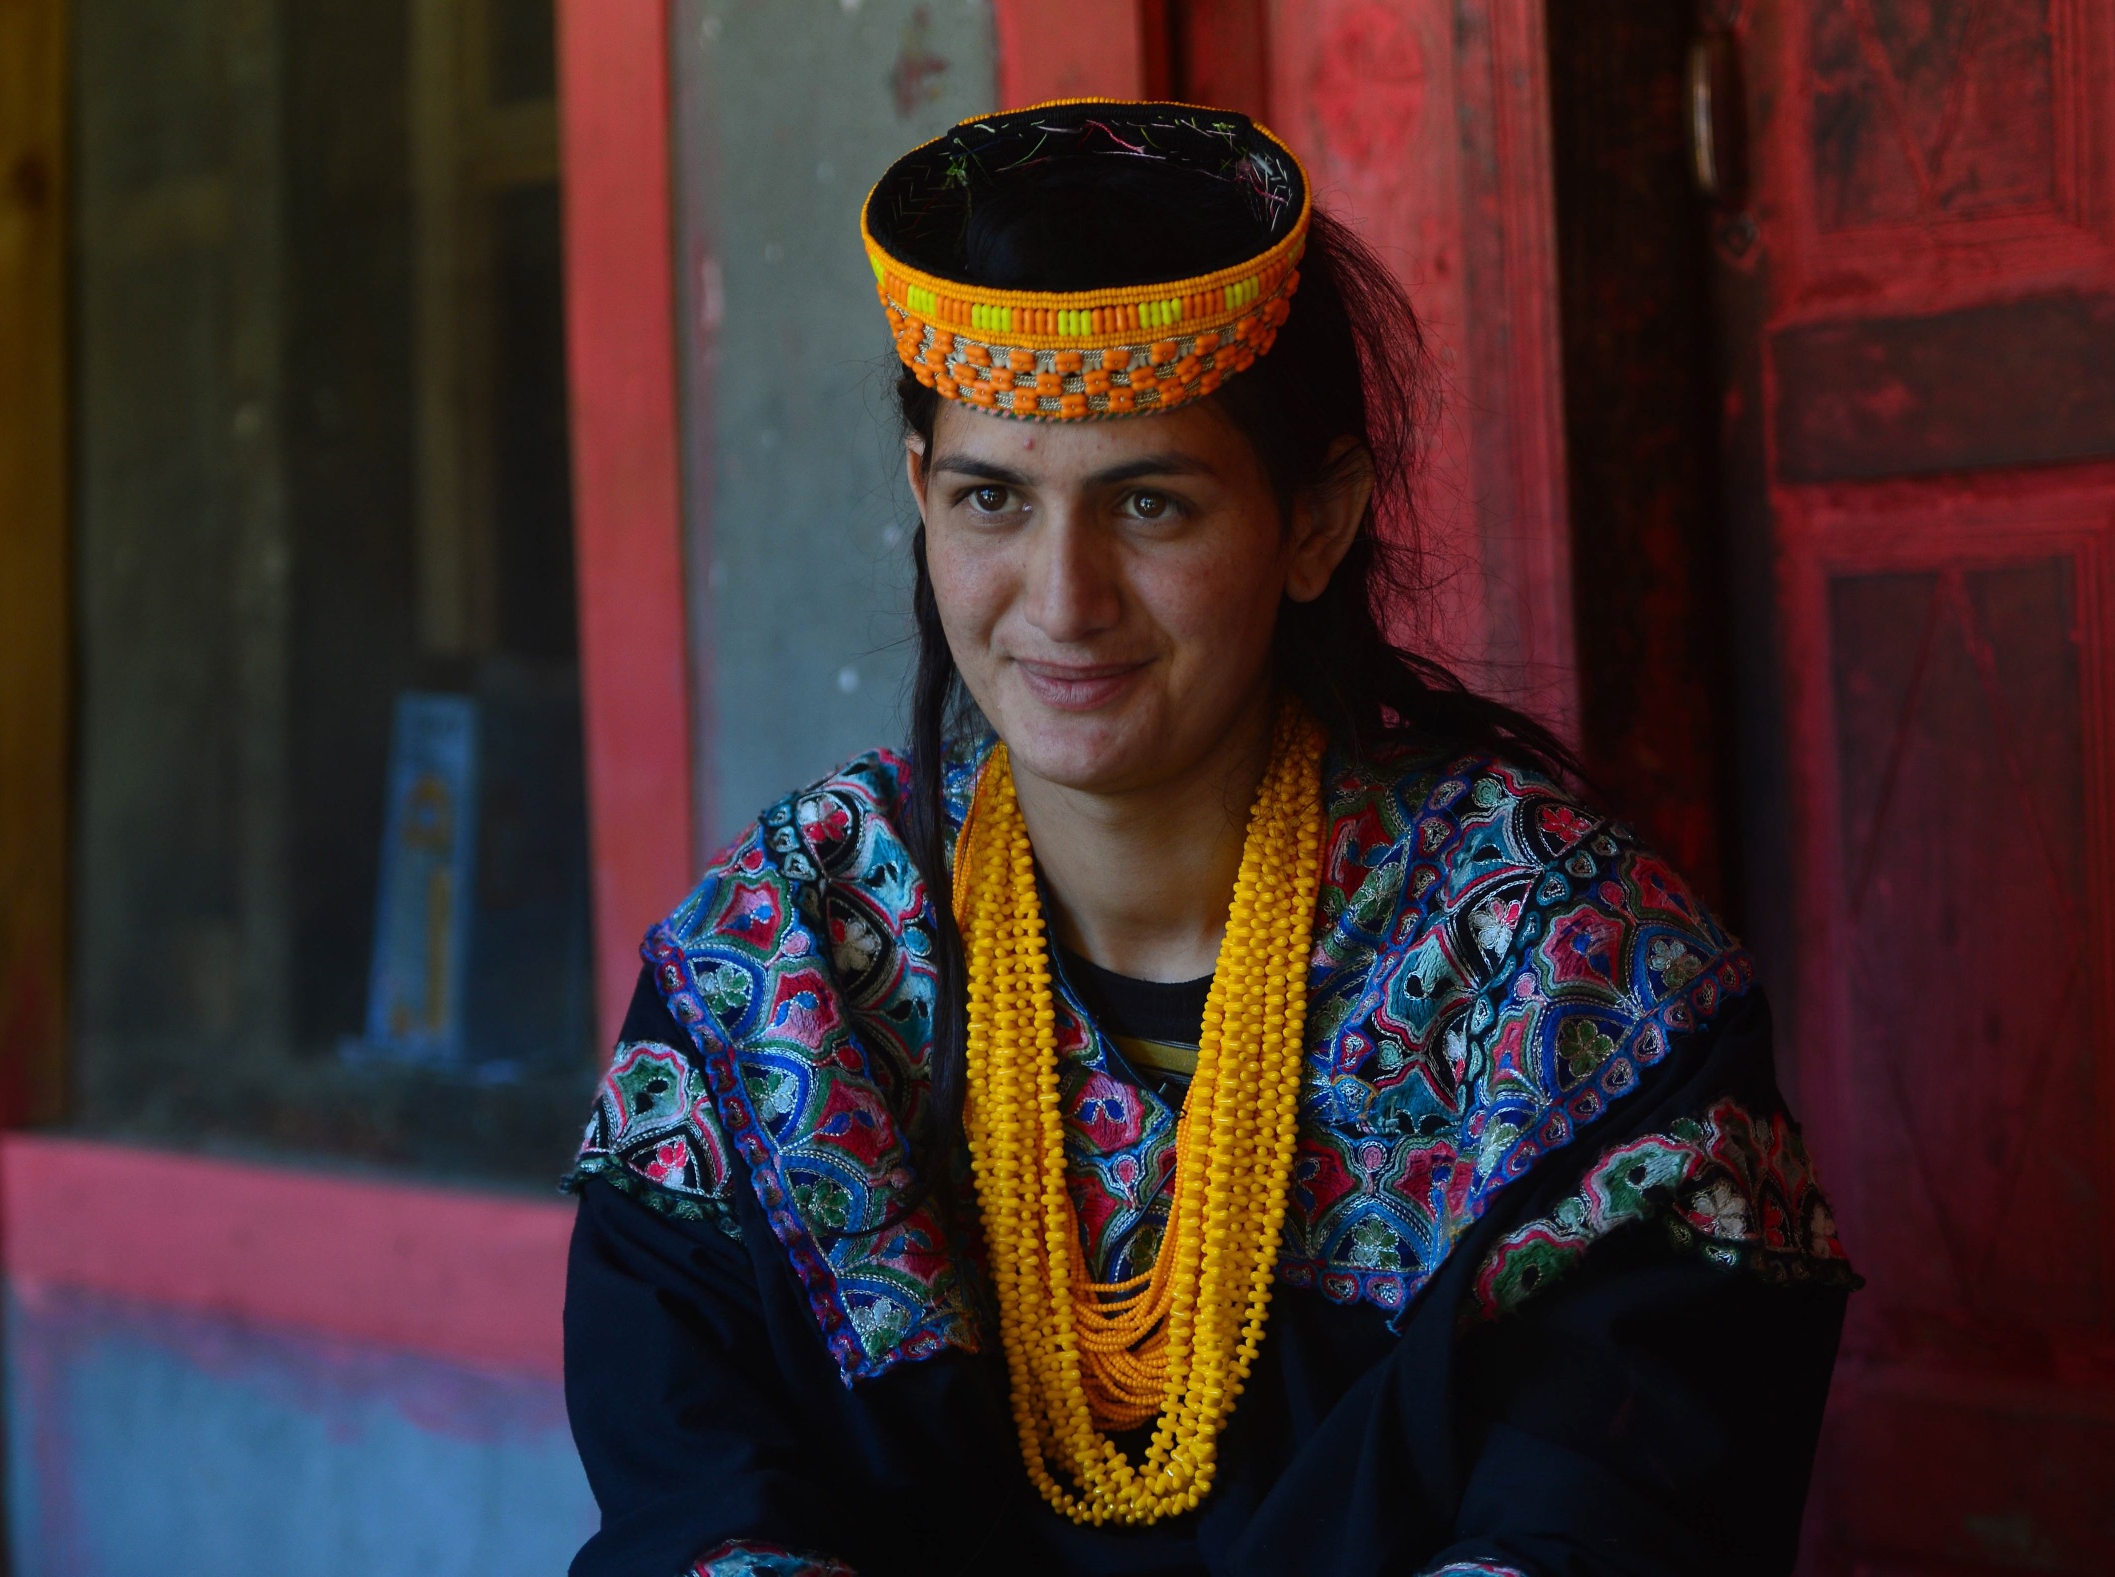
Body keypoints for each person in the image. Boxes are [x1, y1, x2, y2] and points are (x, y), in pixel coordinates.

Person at [561, 100, 1854, 1577]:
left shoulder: (1563, 975)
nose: (1062, 599)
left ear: (1313, 524)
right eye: (992, 498)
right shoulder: (786, 966)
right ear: (919, 500)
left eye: (1151, 503)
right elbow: (695, 1500)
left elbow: (1606, 1519)